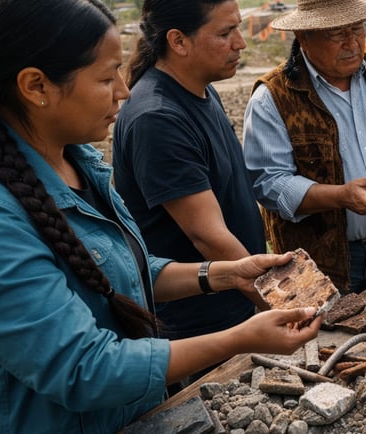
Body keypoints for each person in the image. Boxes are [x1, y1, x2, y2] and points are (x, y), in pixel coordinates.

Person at [0, 1, 321, 431]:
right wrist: (241, 338)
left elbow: (118, 272)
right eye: (107, 77)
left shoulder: (74, 158)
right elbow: (83, 369)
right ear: (36, 86)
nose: (124, 91)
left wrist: (225, 274)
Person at [112, 0, 269, 388]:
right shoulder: (158, 118)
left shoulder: (201, 88)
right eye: (224, 33)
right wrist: (276, 298)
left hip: (234, 303)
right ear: (178, 41)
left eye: (238, 28)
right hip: (200, 326)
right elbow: (207, 234)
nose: (240, 44)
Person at [243, 0, 366, 293]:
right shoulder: (273, 97)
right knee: (326, 337)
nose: (352, 43)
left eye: (357, 28)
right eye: (337, 33)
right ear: (304, 37)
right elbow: (269, 183)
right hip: (318, 262)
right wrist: (340, 197)